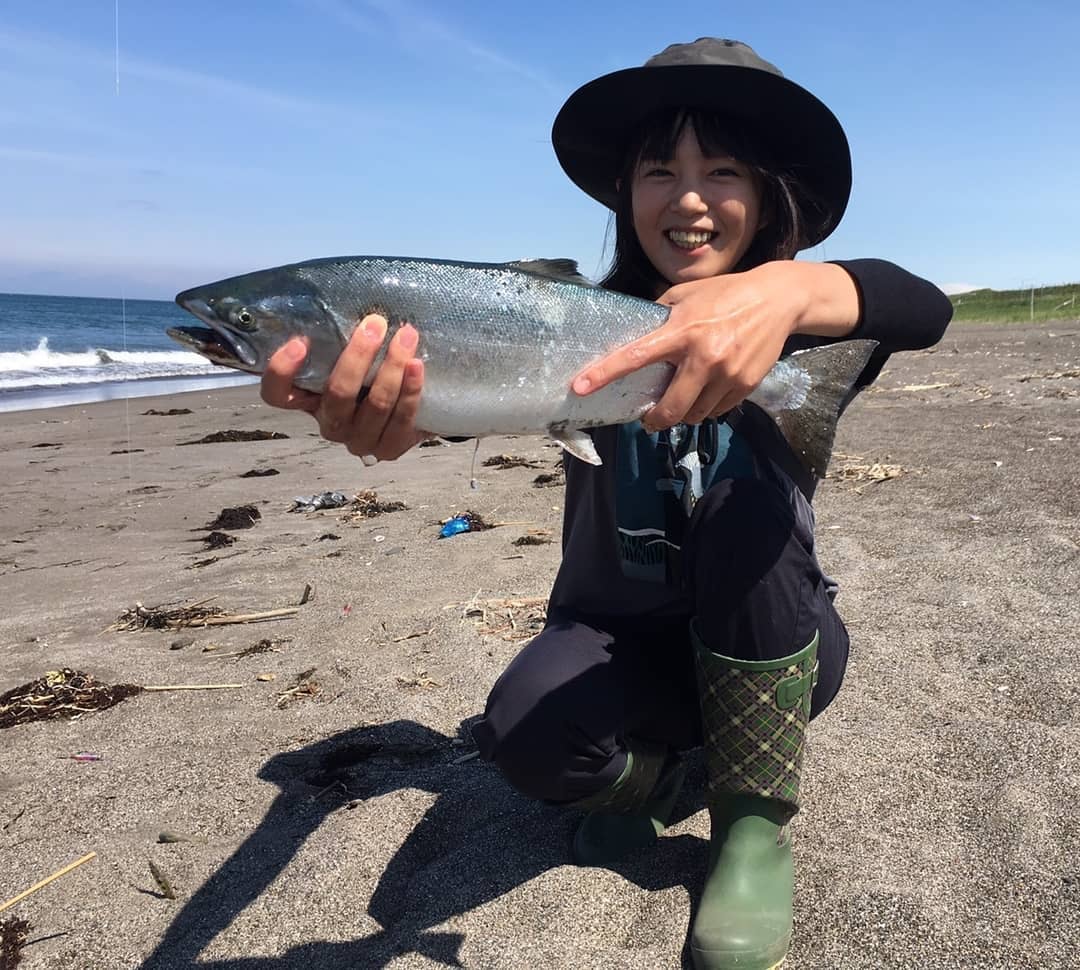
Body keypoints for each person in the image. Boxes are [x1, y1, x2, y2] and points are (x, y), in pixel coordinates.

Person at [261, 38, 953, 970]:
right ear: (625, 195)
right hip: (613, 642)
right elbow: (449, 400)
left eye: (724, 170)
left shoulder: (800, 336)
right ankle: (665, 783)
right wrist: (391, 410)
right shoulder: (570, 324)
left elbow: (924, 306)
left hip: (775, 637)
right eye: (660, 169)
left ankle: (753, 825)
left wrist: (790, 289)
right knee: (524, 735)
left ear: (771, 193)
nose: (691, 195)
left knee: (749, 509)